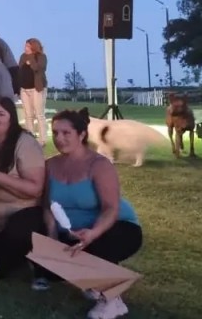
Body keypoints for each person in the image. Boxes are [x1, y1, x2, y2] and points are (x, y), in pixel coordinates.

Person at [37, 109, 143, 319]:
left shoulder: (99, 165)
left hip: (115, 225)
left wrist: (93, 233)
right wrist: (51, 234)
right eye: (55, 133)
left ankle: (113, 301)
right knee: (47, 259)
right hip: (71, 229)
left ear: (82, 134)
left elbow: (111, 208)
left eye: (66, 133)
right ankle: (94, 281)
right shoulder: (50, 165)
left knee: (101, 244)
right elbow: (47, 205)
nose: (59, 138)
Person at [0, 97, 46, 278]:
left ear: (11, 118)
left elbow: (35, 189)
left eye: (1, 114)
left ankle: (26, 256)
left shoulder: (25, 143)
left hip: (22, 215)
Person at [18, 39, 49, 145]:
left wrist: (31, 58)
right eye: (25, 46)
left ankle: (43, 139)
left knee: (39, 114)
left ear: (33, 47)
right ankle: (30, 139)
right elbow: (20, 69)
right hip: (24, 89)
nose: (25, 48)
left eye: (27, 46)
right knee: (28, 115)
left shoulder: (41, 57)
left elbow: (37, 68)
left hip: (37, 89)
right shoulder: (22, 56)